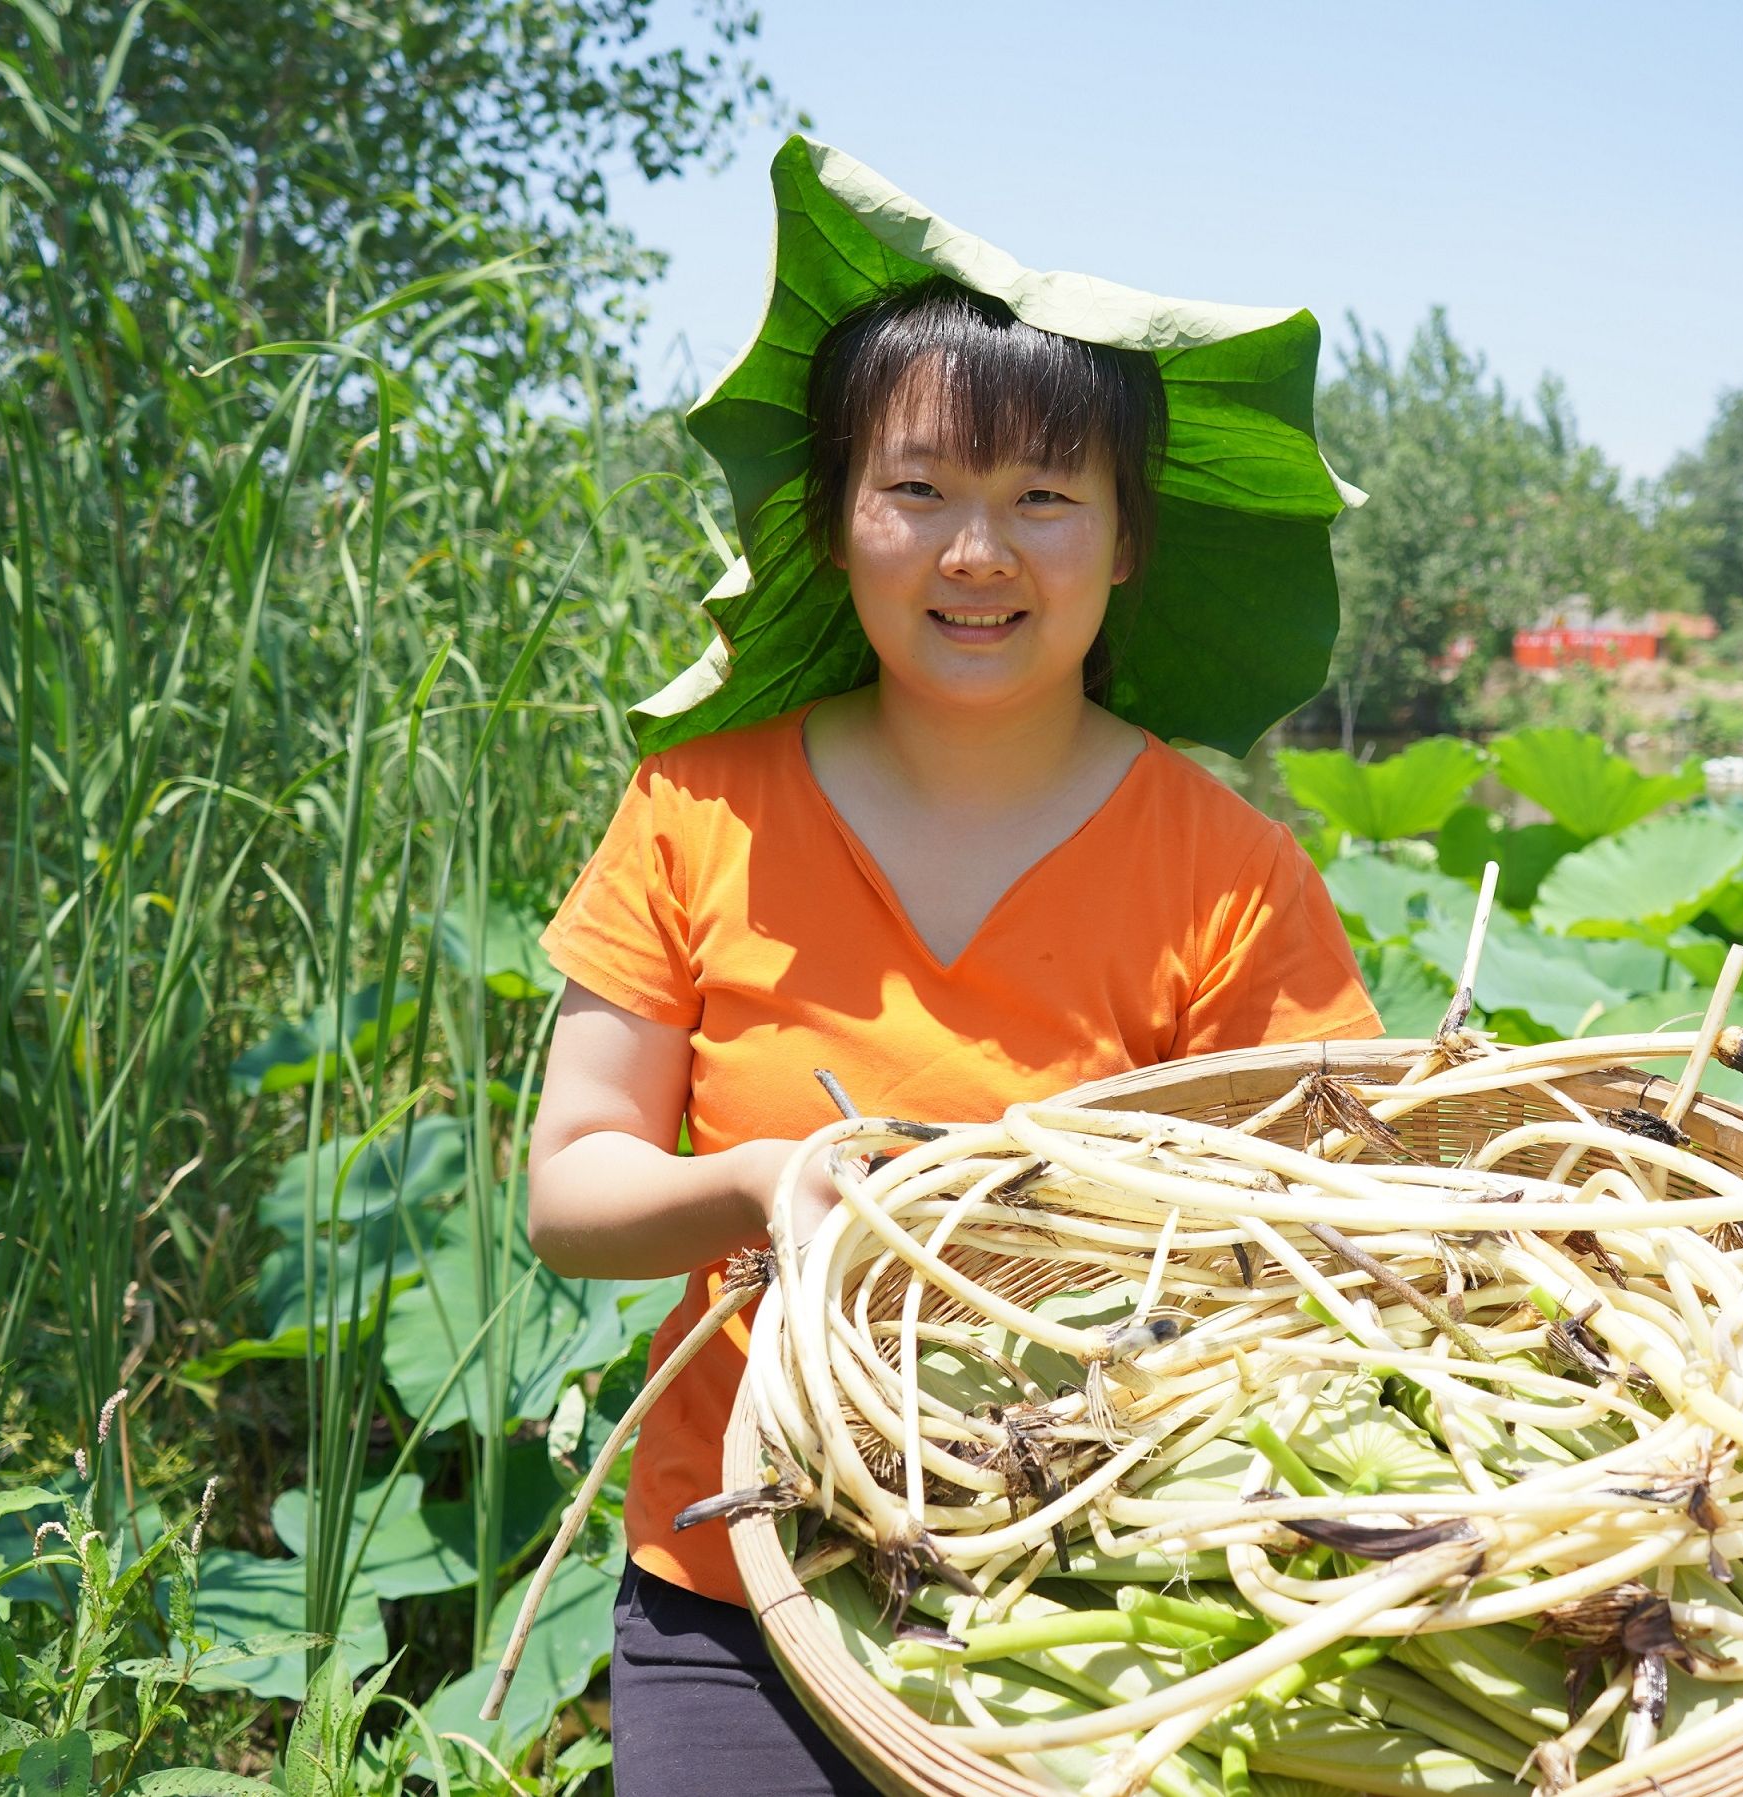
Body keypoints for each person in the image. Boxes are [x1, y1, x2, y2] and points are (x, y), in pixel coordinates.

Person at [523, 138, 1380, 1797]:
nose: (976, 553)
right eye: (918, 490)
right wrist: (763, 1184)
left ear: (1129, 541)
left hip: (1111, 1599)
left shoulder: (1228, 872)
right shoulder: (699, 809)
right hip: (737, 1575)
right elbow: (569, 1189)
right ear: (837, 523)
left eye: (1044, 499)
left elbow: (1322, 1236)